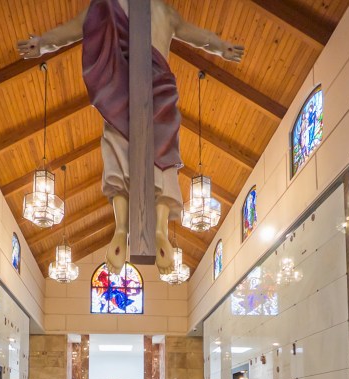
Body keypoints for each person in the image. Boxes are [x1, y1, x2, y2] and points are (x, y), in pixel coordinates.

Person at [18, 0, 243, 274]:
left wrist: (43, 43)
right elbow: (198, 37)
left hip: (126, 94)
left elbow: (71, 30)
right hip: (146, 93)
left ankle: (127, 227)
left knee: (123, 149)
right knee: (160, 156)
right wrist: (221, 47)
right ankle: (150, 229)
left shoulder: (138, 9)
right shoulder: (138, 9)